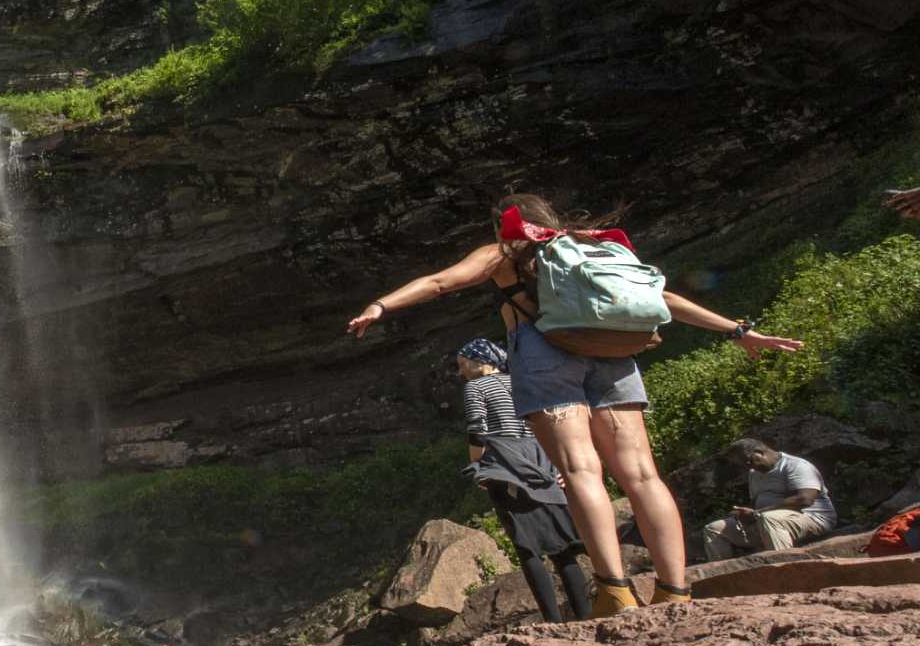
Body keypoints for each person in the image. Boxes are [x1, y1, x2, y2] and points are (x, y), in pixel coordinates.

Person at [346, 193, 803, 616]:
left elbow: (441, 282)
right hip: (612, 355)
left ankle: (615, 590)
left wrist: (381, 306)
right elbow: (658, 296)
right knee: (643, 475)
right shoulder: (588, 247)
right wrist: (740, 332)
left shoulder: (506, 252)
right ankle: (674, 590)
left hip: (545, 356)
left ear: (505, 223)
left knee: (583, 471)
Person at [455, 338, 591, 622]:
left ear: (479, 360)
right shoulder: (520, 381)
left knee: (527, 546)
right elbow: (545, 421)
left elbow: (478, 429)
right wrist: (559, 464)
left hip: (505, 463)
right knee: (563, 548)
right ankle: (587, 616)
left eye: (462, 365)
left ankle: (552, 621)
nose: (461, 372)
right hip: (542, 460)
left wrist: (477, 466)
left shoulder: (476, 387)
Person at [700, 438, 837, 561]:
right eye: (742, 465)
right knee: (714, 528)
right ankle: (722, 577)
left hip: (813, 517)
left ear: (759, 452)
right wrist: (745, 514)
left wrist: (757, 513)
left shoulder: (796, 465)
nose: (748, 466)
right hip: (767, 521)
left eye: (748, 461)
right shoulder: (754, 474)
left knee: (769, 518)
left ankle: (786, 568)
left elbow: (805, 499)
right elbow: (756, 504)